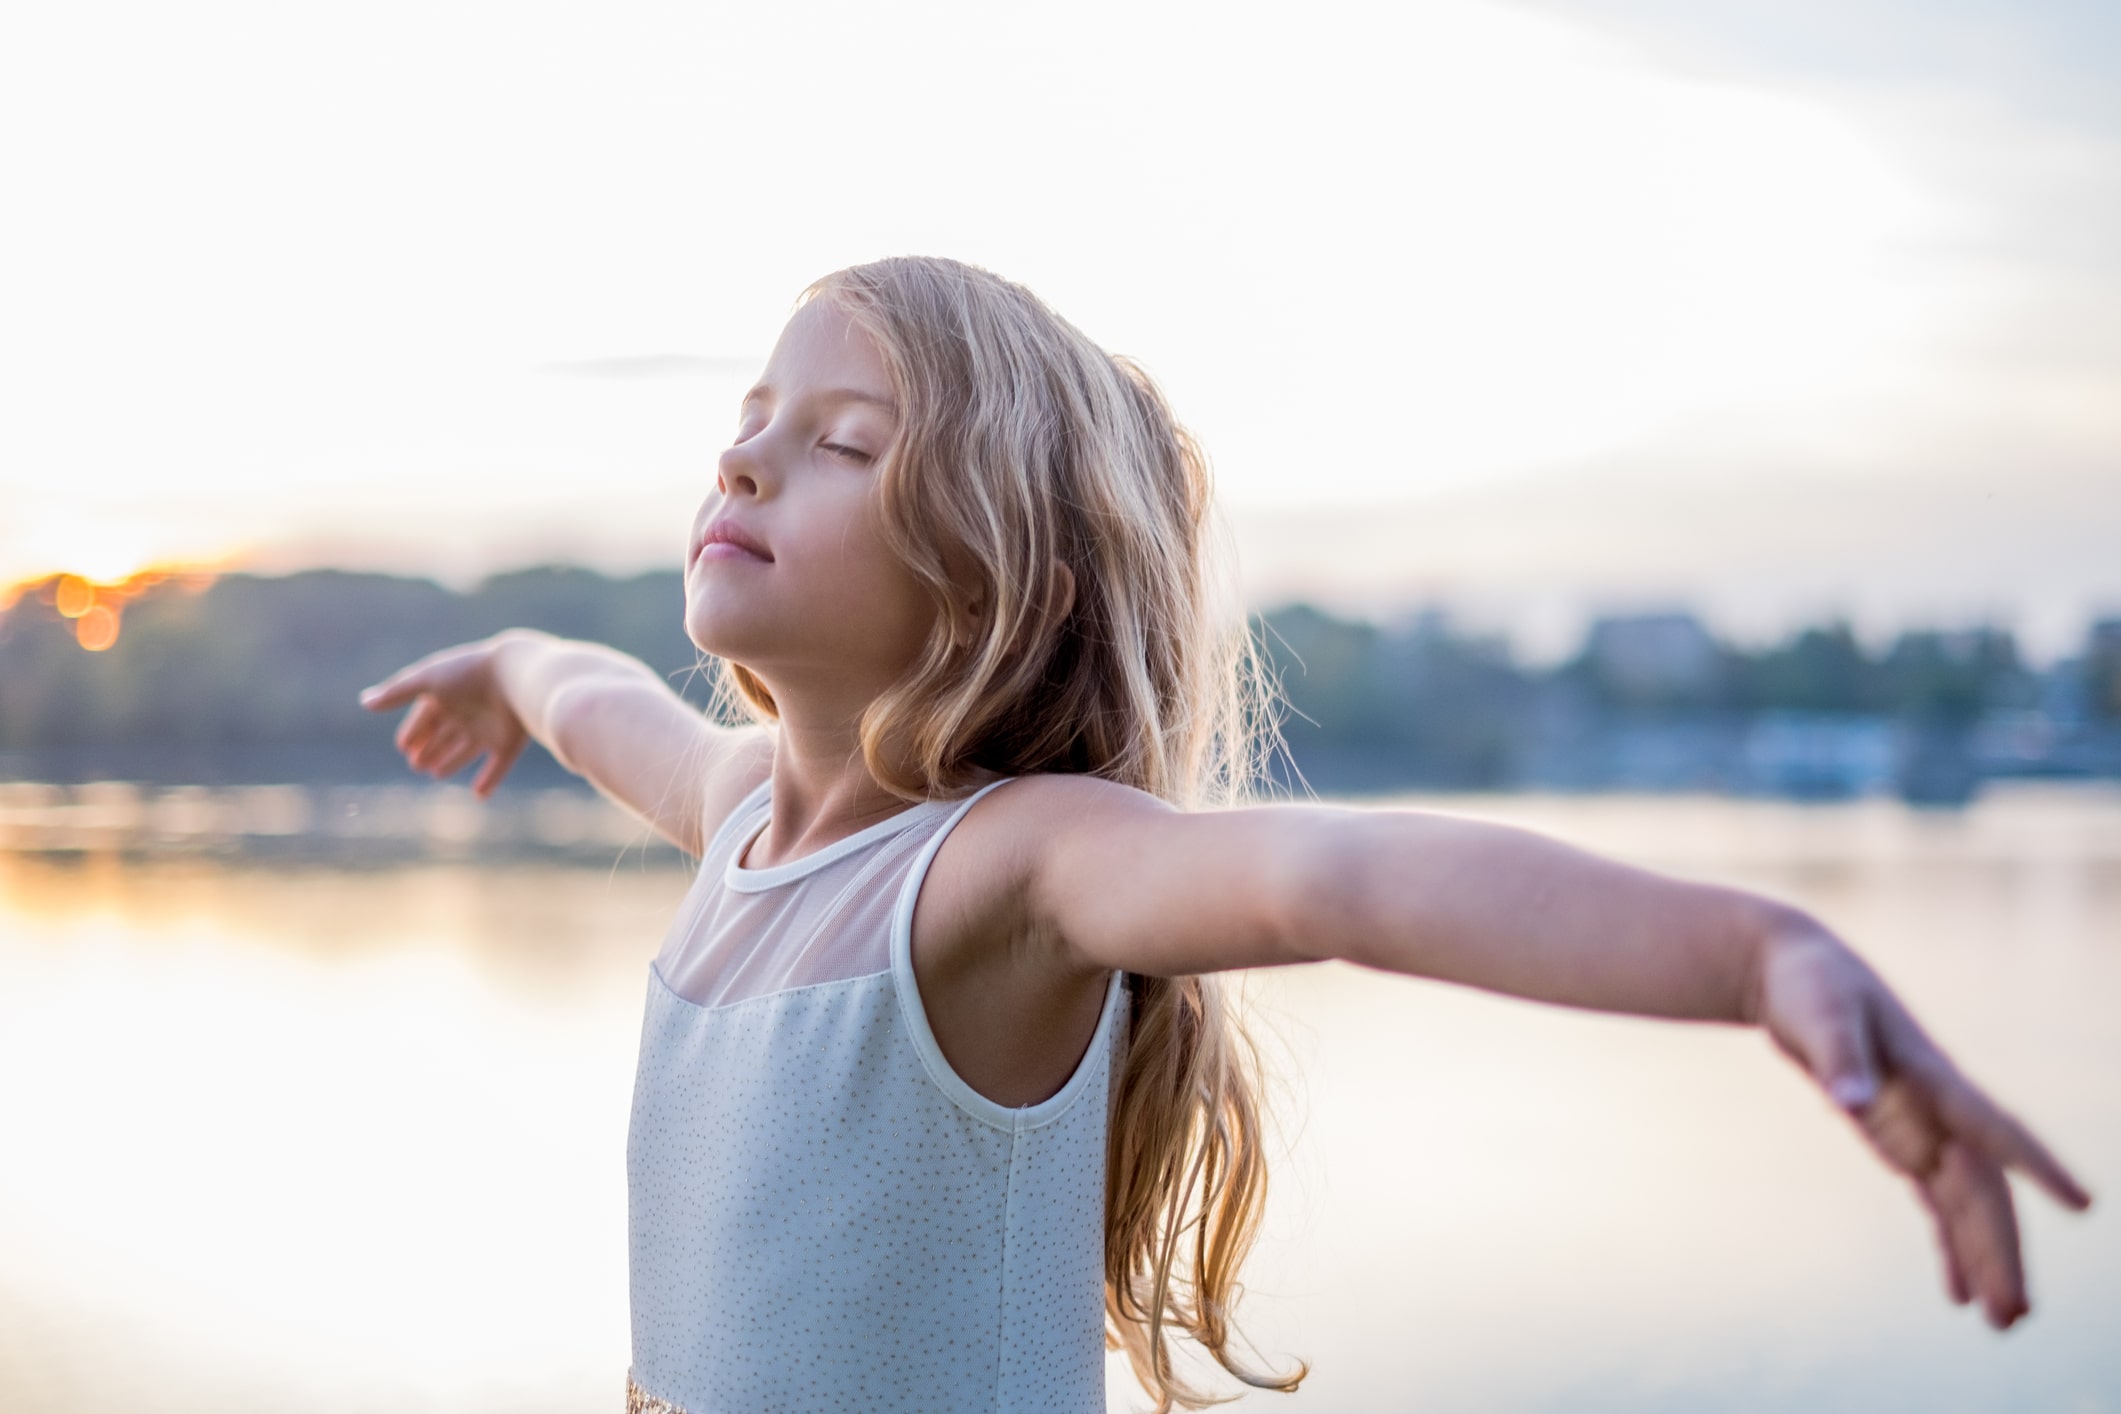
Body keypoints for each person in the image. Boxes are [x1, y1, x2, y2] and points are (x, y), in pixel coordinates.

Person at [360, 256, 2090, 1413]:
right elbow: (588, 693)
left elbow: (1339, 880)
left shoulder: (1007, 868)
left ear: (999, 575)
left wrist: (1755, 954)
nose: (744, 464)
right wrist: (504, 666)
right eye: (745, 425)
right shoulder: (738, 814)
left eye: (841, 445)